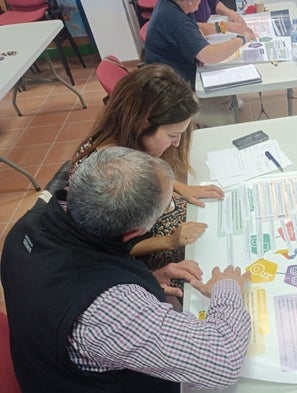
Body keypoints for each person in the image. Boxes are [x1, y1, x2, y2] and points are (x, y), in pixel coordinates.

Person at [1, 147, 251, 393]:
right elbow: (223, 361)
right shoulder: (107, 309)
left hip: (48, 364)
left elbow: (65, 285)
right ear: (133, 233)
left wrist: (146, 279)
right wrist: (226, 288)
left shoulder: (26, 229)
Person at [73, 64, 224, 286]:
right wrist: (170, 241)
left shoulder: (128, 141)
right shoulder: (105, 178)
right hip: (142, 258)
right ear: (143, 123)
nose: (177, 143)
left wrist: (181, 187)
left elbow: (156, 175)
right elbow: (111, 245)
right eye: (173, 134)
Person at [144, 0, 257, 127]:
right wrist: (243, 39)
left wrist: (225, 26)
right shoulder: (176, 19)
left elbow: (196, 28)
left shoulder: (175, 5)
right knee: (227, 119)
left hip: (178, 75)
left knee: (227, 96)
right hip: (169, 92)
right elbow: (209, 56)